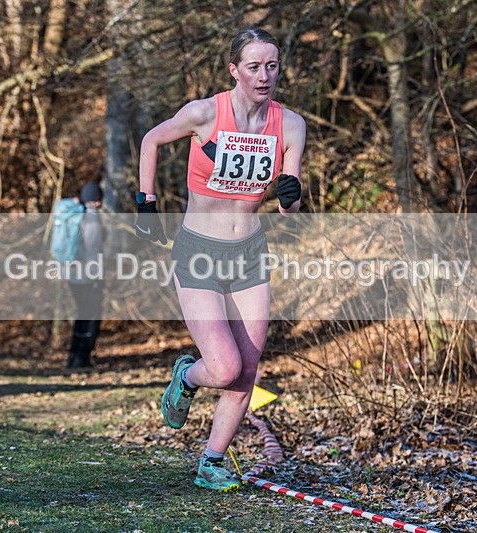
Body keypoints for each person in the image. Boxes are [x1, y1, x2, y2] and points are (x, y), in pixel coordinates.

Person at [135, 27, 306, 492]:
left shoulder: (290, 125)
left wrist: (290, 195)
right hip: (199, 251)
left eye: (271, 65)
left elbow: (288, 204)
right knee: (224, 366)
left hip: (250, 252)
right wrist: (146, 204)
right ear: (235, 70)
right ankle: (186, 377)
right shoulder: (205, 113)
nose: (264, 75)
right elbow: (151, 140)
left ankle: (212, 461)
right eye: (253, 66)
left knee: (248, 369)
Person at [66, 182, 105, 369]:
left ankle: (73, 355)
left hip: (73, 274)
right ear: (98, 200)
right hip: (88, 276)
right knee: (91, 316)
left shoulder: (76, 215)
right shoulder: (92, 219)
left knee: (82, 314)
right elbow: (93, 250)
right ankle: (82, 358)